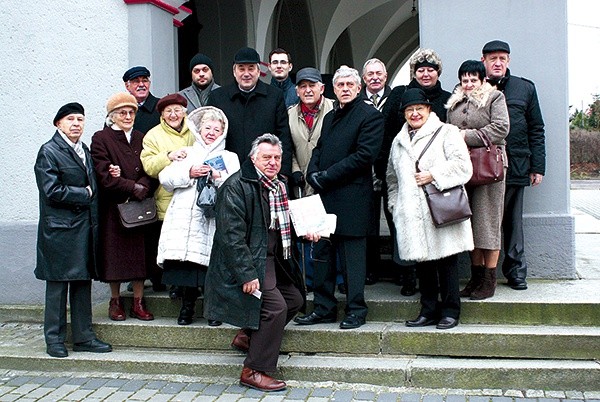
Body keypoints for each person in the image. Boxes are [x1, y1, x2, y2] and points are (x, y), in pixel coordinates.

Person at [204, 134, 315, 392]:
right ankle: (253, 370)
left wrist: (307, 231)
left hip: (273, 258)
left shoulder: (279, 185)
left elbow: (283, 224)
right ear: (253, 158)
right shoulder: (236, 186)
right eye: (267, 157)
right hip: (251, 260)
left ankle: (248, 336)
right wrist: (246, 275)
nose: (273, 162)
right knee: (274, 308)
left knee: (295, 300)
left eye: (277, 158)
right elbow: (231, 237)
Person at [294, 66, 384, 330]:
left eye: (349, 85)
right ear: (333, 89)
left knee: (352, 259)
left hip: (353, 198)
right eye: (340, 85)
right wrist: (312, 172)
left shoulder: (369, 115)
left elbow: (364, 156)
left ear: (358, 88)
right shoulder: (332, 116)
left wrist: (327, 175)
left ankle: (356, 310)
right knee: (322, 254)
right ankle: (323, 308)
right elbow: (320, 148)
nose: (345, 89)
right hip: (326, 197)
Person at [386, 88, 473, 330]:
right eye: (409, 110)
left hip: (440, 209)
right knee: (422, 264)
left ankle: (450, 311)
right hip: (411, 212)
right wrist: (396, 205)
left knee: (446, 263)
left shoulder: (447, 132)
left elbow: (464, 167)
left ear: (429, 110)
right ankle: (428, 310)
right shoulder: (398, 140)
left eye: (419, 109)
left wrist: (433, 175)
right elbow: (391, 178)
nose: (414, 114)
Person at [34, 102, 112, 358]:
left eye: (80, 119)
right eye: (70, 119)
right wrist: (85, 193)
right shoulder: (49, 151)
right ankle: (54, 340)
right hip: (59, 232)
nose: (76, 123)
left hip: (83, 230)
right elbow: (51, 190)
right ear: (58, 124)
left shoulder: (84, 150)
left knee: (81, 284)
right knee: (57, 287)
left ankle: (84, 337)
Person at [157, 106, 239, 326]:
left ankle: (214, 312)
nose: (211, 132)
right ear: (199, 129)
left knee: (212, 268)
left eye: (216, 128)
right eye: (207, 128)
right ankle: (187, 309)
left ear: (223, 131)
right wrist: (189, 172)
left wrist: (218, 177)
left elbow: (237, 187)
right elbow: (165, 178)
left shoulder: (229, 157)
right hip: (186, 218)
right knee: (189, 267)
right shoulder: (187, 152)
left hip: (213, 218)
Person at [379, 49, 452, 296]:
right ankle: (407, 275)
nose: (425, 73)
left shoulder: (447, 99)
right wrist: (385, 170)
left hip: (435, 179)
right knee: (403, 225)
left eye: (430, 69)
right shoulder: (400, 95)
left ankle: (436, 282)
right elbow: (386, 131)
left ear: (438, 72)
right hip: (402, 174)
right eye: (420, 69)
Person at [480, 40, 546, 290]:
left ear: (508, 61)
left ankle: (516, 271)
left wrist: (537, 167)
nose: (498, 63)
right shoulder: (474, 86)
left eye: (503, 58)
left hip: (517, 164)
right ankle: (485, 273)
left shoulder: (525, 88)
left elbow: (536, 129)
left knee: (513, 221)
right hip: (484, 167)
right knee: (486, 220)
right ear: (484, 60)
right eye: (493, 58)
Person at [90, 92, 157, 321]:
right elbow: (104, 174)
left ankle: (139, 302)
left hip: (140, 204)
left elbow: (150, 167)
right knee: (115, 257)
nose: (127, 116)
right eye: (122, 112)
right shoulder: (101, 138)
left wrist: (144, 186)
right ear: (112, 116)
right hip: (115, 207)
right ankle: (115, 301)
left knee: (140, 257)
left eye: (131, 112)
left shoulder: (141, 137)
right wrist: (132, 187)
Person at [446, 60, 509, 300]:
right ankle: (475, 276)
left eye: (474, 79)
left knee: (488, 223)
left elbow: (502, 128)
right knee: (469, 224)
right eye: (465, 80)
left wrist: (466, 136)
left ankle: (489, 279)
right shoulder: (454, 103)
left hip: (489, 168)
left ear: (483, 80)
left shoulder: (495, 98)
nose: (469, 84)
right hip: (462, 168)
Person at [141, 93, 195, 299]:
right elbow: (148, 166)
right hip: (167, 199)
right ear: (162, 114)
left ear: (184, 112)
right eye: (168, 111)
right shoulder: (153, 136)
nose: (174, 114)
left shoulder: (195, 130)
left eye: (177, 110)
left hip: (192, 199)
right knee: (171, 245)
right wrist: (168, 156)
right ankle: (173, 284)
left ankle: (191, 285)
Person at [208, 47, 293, 175]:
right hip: (226, 174)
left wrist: (283, 173)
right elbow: (208, 138)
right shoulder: (218, 97)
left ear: (258, 71)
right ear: (234, 71)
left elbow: (283, 137)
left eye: (251, 68)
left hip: (265, 173)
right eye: (241, 68)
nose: (246, 73)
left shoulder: (274, 96)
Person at [287, 67, 335, 291]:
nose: (308, 90)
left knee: (328, 232)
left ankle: (336, 279)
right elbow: (288, 148)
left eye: (312, 85)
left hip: (327, 179)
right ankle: (308, 279)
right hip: (301, 182)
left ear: (322, 88)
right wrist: (295, 170)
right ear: (296, 90)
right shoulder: (289, 114)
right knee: (305, 231)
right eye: (303, 86)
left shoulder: (334, 109)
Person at [360, 58, 392, 285]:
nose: (374, 77)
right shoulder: (357, 100)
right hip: (365, 171)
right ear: (363, 79)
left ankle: (401, 270)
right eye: (370, 74)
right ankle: (371, 268)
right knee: (368, 223)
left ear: (386, 75)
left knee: (395, 220)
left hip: (391, 169)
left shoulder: (395, 99)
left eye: (378, 73)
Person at [123, 66, 160, 134]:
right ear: (127, 86)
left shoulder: (161, 106)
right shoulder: (119, 108)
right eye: (136, 81)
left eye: (144, 81)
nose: (141, 85)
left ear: (149, 83)